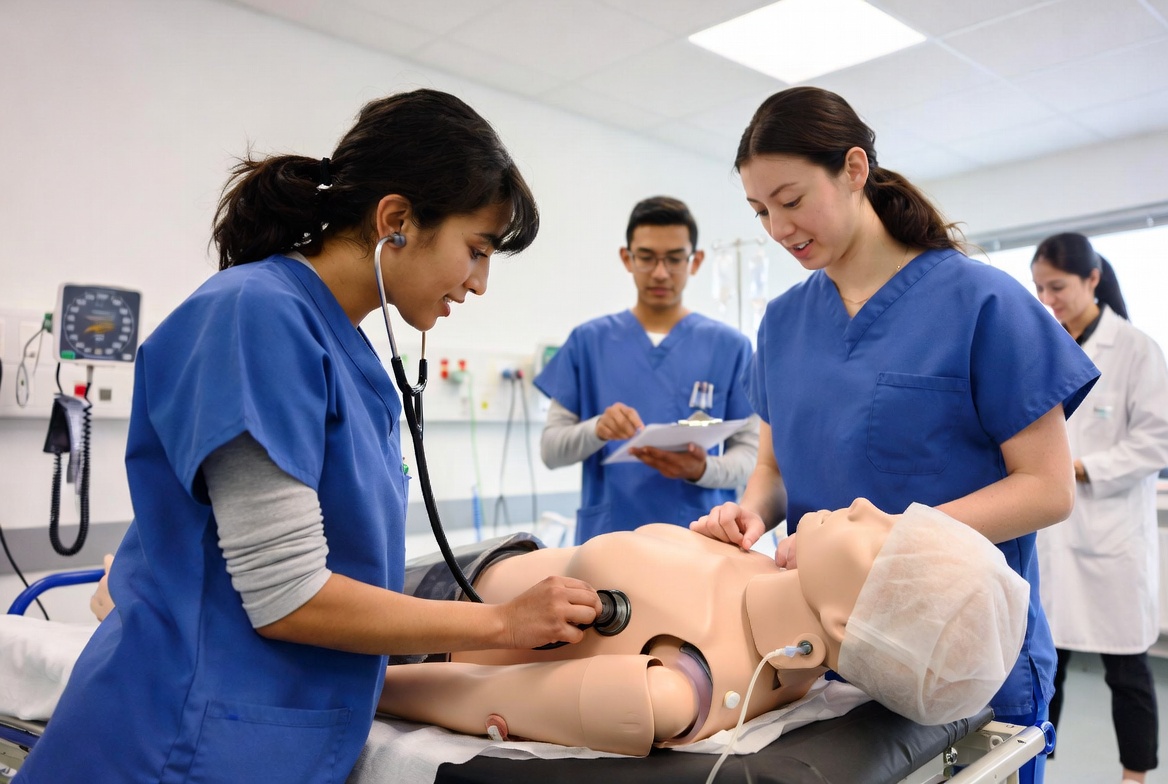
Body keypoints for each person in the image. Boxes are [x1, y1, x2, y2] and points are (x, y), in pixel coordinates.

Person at [15, 89, 603, 784]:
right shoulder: (254, 315)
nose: (478, 284)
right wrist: (502, 624)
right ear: (396, 220)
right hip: (170, 746)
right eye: (475, 250)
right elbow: (288, 595)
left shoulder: (338, 349)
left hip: (263, 740)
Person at [688, 86, 1100, 784]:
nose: (779, 228)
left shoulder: (982, 301)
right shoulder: (783, 324)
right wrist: (750, 514)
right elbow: (777, 471)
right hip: (827, 651)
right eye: (761, 212)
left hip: (966, 653)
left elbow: (1048, 488)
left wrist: (893, 541)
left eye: (790, 200)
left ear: (854, 169)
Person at [376, 499, 1029, 756]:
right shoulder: (777, 572)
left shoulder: (683, 686)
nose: (864, 506)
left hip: (421, 622)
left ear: (844, 621)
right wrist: (710, 546)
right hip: (488, 561)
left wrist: (369, 680)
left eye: (880, 537)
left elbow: (481, 698)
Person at [534, 196, 760, 543]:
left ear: (695, 261)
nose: (660, 272)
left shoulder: (730, 347)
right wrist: (599, 429)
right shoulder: (589, 341)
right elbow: (551, 450)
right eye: (647, 257)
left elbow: (751, 456)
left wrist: (702, 469)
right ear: (627, 258)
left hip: (701, 540)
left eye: (673, 259)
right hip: (609, 540)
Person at [1031, 232, 1168, 784]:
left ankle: (1134, 776)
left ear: (1092, 279)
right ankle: (1037, 768)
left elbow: (1156, 441)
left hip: (1109, 538)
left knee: (1127, 670)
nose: (1047, 299)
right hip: (1053, 534)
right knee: (1046, 667)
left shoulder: (1134, 348)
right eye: (1039, 288)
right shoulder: (1043, 342)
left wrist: (1081, 468)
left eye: (1058, 287)